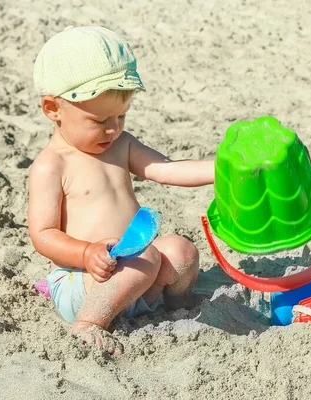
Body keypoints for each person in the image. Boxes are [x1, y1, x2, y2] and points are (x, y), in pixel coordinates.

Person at [28, 26, 214, 355]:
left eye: (122, 115)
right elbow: (43, 234)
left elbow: (167, 169)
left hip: (137, 280)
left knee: (182, 251)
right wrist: (86, 252)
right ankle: (88, 324)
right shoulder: (51, 165)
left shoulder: (121, 145)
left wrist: (223, 170)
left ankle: (180, 305)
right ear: (53, 109)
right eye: (99, 120)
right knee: (147, 255)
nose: (113, 129)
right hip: (86, 282)